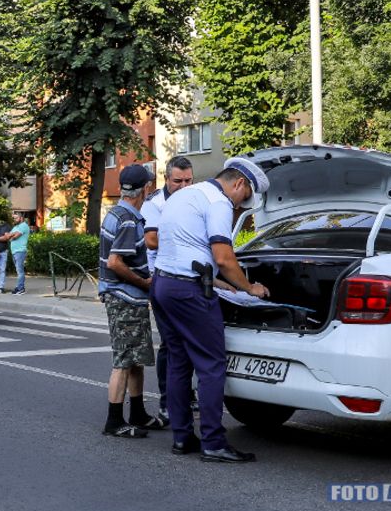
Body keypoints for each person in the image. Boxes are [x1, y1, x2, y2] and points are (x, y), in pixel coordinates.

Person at [152, 157, 270, 462]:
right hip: (189, 293)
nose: (241, 207)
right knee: (211, 364)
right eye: (244, 200)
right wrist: (249, 288)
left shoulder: (186, 195)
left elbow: (183, 246)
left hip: (164, 285)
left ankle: (182, 438)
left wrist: (218, 282)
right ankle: (214, 443)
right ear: (239, 184)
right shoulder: (218, 202)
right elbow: (224, 256)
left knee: (179, 362)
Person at [98, 164, 164, 438]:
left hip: (127, 298)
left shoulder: (117, 213)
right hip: (124, 297)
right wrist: (144, 282)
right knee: (124, 360)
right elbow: (115, 262)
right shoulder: (127, 219)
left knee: (135, 359)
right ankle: (114, 422)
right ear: (145, 189)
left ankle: (137, 413)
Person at [140, 156, 194, 425]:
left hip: (190, 279)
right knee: (171, 345)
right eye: (178, 181)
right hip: (162, 279)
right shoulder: (155, 203)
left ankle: (185, 394)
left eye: (188, 180)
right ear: (166, 179)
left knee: (190, 342)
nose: (184, 186)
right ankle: (167, 402)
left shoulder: (193, 199)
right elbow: (151, 241)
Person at [7, 211, 30, 295]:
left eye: (16, 218)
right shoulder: (16, 227)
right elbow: (8, 237)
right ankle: (19, 287)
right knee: (18, 270)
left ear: (21, 218)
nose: (15, 219)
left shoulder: (24, 226)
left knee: (20, 271)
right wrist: (12, 235)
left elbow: (16, 236)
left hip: (20, 251)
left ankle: (21, 289)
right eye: (14, 218)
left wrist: (12, 235)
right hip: (15, 251)